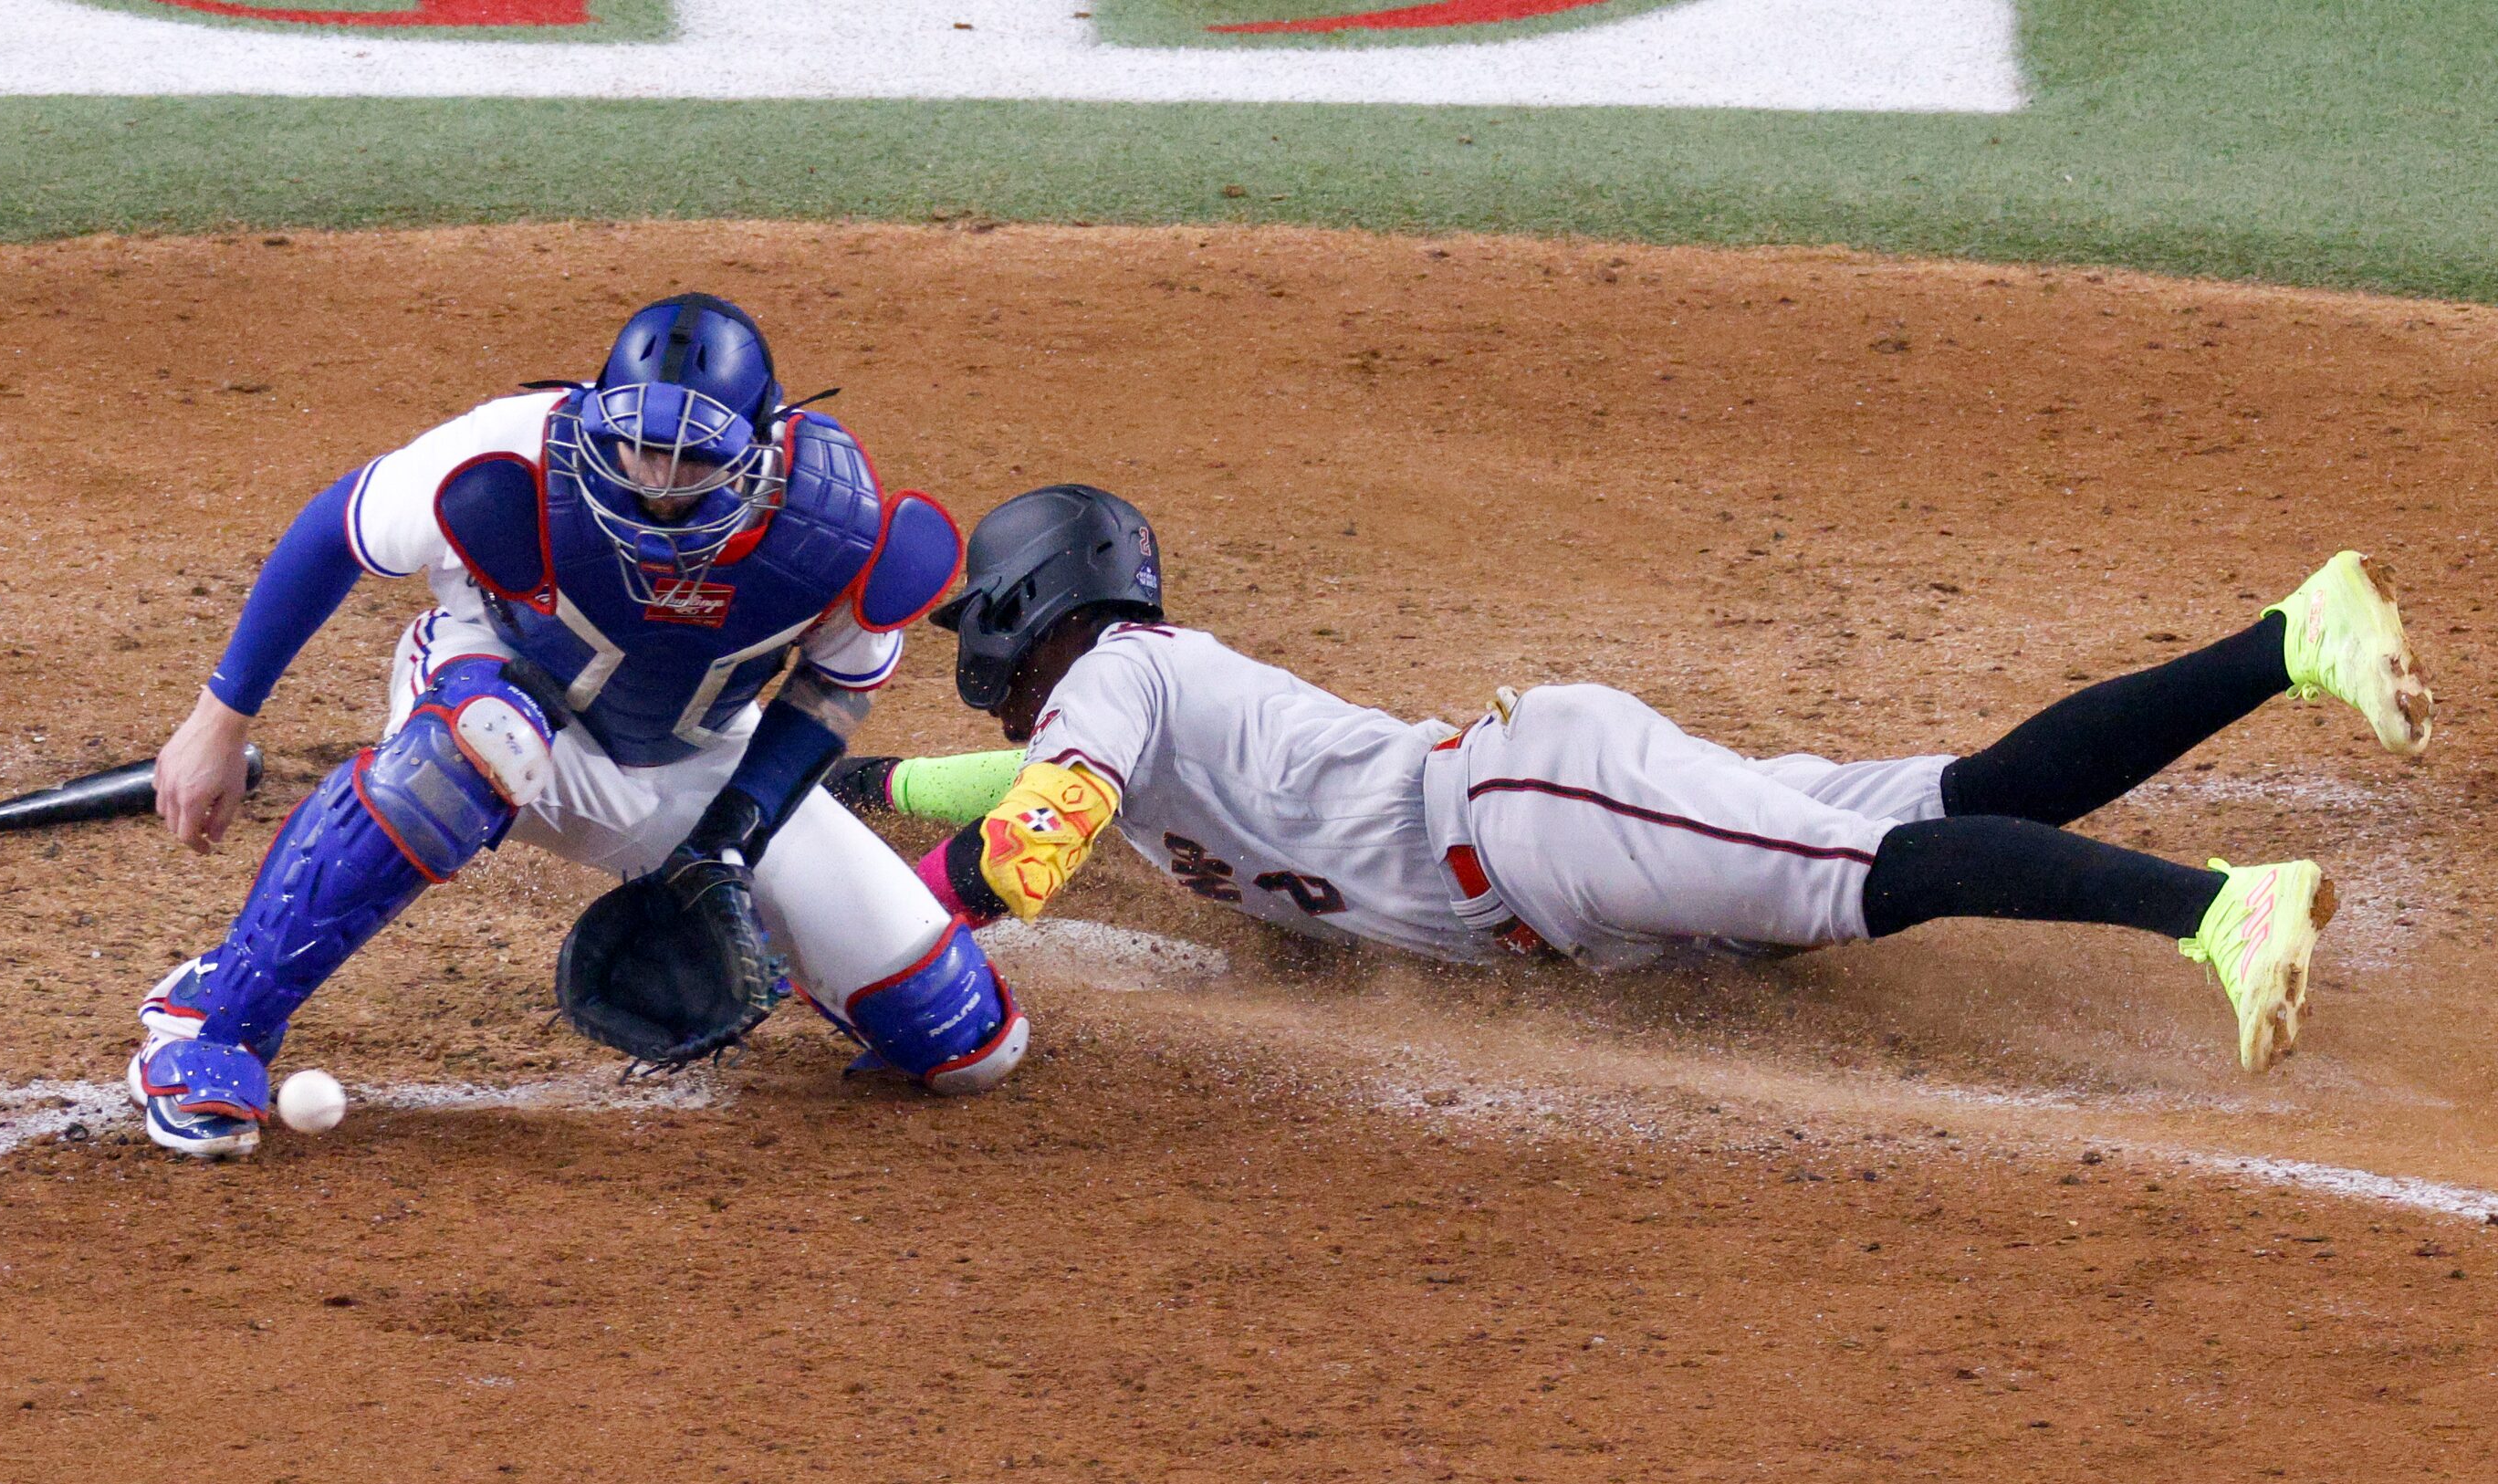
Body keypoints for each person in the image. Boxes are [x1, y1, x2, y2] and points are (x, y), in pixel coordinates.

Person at [830, 485, 2434, 1074]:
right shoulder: (1122, 714)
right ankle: (2294, 634)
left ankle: (2221, 910)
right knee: (1954, 799)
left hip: (1547, 817)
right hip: (1562, 834)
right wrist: (872, 790)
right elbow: (1021, 792)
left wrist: (858, 927)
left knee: (1863, 883)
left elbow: (1037, 843)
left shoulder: (1117, 679)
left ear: (1038, 602)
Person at [133, 295, 1028, 1159]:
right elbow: (335, 531)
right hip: (500, 702)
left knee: (965, 1045)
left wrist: (727, 843)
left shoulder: (839, 528)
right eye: (638, 446)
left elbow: (830, 694)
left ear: (758, 445)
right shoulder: (507, 456)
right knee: (483, 743)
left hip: (694, 758)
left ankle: (802, 958)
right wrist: (221, 715)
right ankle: (213, 1025)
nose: (657, 478)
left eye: (689, 458)